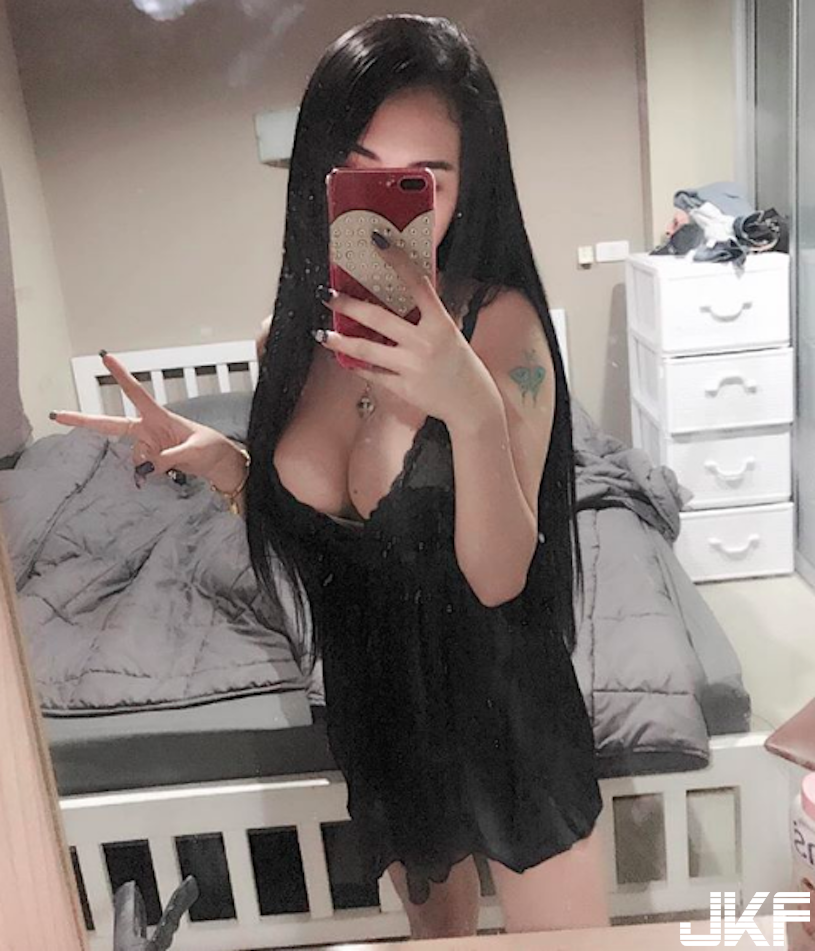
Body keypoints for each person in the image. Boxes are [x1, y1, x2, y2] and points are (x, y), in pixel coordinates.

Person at [52, 14, 611, 939]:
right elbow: (326, 546)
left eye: (423, 180)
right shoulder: (289, 344)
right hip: (378, 709)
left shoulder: (502, 330)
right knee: (438, 937)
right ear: (319, 176)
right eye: (360, 170)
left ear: (467, 190)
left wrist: (469, 409)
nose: (390, 207)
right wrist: (225, 463)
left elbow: (501, 575)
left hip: (505, 705)